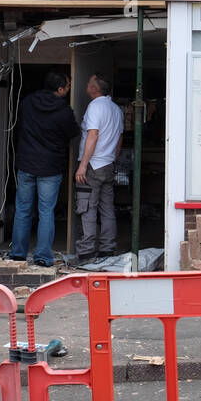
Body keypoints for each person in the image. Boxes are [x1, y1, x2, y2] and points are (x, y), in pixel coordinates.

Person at [9, 72, 79, 267]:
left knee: (23, 209)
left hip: (26, 164)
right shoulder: (63, 111)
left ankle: (17, 254)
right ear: (60, 89)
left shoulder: (27, 102)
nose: (69, 89)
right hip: (50, 166)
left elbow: (20, 125)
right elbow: (73, 132)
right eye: (68, 86)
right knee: (46, 211)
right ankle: (42, 257)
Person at [74, 73, 124, 263]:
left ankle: (86, 252)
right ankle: (107, 250)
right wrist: (112, 158)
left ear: (95, 89)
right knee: (107, 209)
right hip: (108, 165)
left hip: (93, 165)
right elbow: (120, 138)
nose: (86, 85)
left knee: (87, 208)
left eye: (88, 83)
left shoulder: (95, 106)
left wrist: (83, 165)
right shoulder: (116, 109)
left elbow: (92, 135)